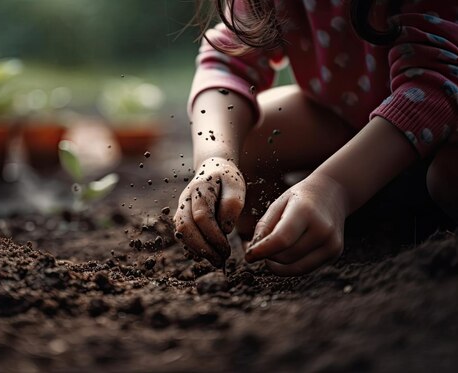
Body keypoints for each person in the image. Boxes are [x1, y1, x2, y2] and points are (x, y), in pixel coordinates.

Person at [173, 0, 458, 276]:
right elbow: (227, 62)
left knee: (448, 179)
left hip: (446, 133)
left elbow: (436, 87)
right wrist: (215, 158)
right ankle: (348, 213)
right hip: (347, 116)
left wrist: (335, 187)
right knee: (245, 142)